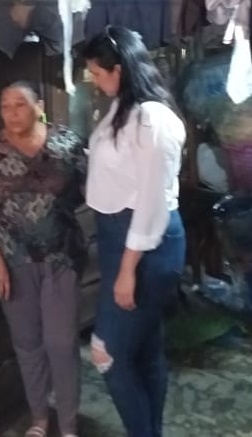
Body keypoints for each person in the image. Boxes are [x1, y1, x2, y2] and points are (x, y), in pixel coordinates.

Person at [0, 82, 87, 437]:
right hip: (12, 261)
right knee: (28, 343)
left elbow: (94, 190)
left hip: (62, 256)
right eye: (5, 106)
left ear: (40, 107)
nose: (12, 112)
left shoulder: (68, 144)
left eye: (20, 104)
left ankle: (68, 425)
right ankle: (39, 419)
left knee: (62, 343)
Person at [83, 27, 186, 437]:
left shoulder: (150, 119)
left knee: (106, 352)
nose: (94, 81)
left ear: (120, 70)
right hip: (121, 239)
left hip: (144, 244)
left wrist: (128, 269)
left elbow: (151, 200)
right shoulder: (123, 109)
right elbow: (122, 170)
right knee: (144, 350)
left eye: (97, 73)